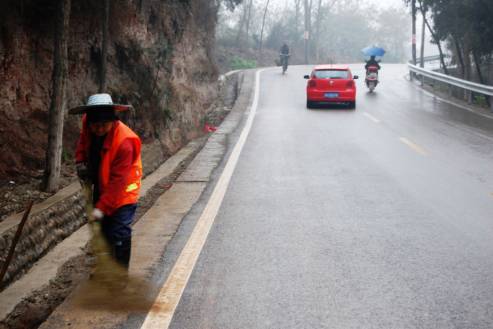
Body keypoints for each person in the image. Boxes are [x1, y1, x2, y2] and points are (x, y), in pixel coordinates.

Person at [70, 93, 142, 268]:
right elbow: (83, 141)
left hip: (124, 190)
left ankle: (120, 278)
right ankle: (106, 268)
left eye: (104, 125)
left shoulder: (125, 142)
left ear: (113, 120)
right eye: (95, 125)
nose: (99, 129)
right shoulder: (88, 124)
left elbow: (118, 183)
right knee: (102, 230)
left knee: (119, 232)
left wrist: (101, 209)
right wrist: (80, 161)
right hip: (102, 185)